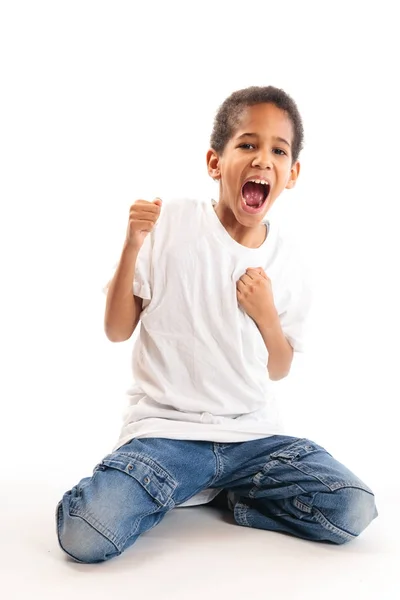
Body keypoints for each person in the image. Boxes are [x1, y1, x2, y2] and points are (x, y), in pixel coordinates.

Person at [55, 85, 378, 563]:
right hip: (167, 436)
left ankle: (231, 497)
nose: (262, 160)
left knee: (353, 507)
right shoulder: (172, 225)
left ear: (292, 175)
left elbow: (279, 368)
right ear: (214, 162)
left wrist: (267, 316)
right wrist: (132, 244)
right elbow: (117, 330)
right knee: (85, 534)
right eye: (247, 145)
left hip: (254, 440)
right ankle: (166, 486)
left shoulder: (288, 261)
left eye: (277, 151)